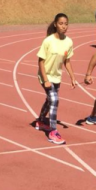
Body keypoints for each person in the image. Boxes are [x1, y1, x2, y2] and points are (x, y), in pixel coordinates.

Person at [34, 13, 78, 145]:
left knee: (49, 100)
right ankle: (53, 132)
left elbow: (67, 62)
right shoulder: (48, 41)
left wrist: (72, 77)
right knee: (54, 100)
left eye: (66, 24)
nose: (64, 26)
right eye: (61, 23)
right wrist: (46, 79)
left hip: (57, 77)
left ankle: (41, 121)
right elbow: (41, 61)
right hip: (45, 75)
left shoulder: (69, 42)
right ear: (55, 24)